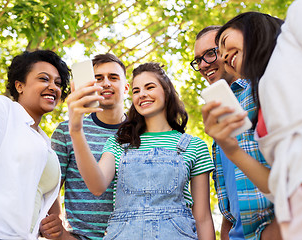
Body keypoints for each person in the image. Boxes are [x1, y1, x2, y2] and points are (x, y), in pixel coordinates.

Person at [204, 2, 302, 239]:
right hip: (300, 217)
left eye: (224, 42)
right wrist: (232, 150)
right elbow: (276, 187)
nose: (221, 57)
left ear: (252, 25)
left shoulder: (299, 19)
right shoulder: (264, 97)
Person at [67, 62, 215, 239]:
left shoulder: (194, 145)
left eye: (149, 87)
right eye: (136, 91)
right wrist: (76, 130)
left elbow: (203, 217)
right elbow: (97, 186)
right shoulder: (118, 143)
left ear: (167, 92)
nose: (142, 94)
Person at [0, 50, 71, 240]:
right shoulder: (0, 108)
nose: (53, 87)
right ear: (19, 86)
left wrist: (53, 223)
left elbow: (38, 200)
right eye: (44, 79)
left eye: (58, 83)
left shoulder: (44, 142)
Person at [193, 25, 279, 239]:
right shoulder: (218, 117)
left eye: (210, 53)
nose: (204, 64)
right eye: (198, 60)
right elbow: (231, 197)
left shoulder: (261, 89)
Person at [40, 53, 129, 240]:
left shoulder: (143, 134)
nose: (105, 83)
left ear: (126, 87)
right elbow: (49, 188)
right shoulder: (66, 130)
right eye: (98, 78)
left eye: (113, 77)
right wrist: (61, 232)